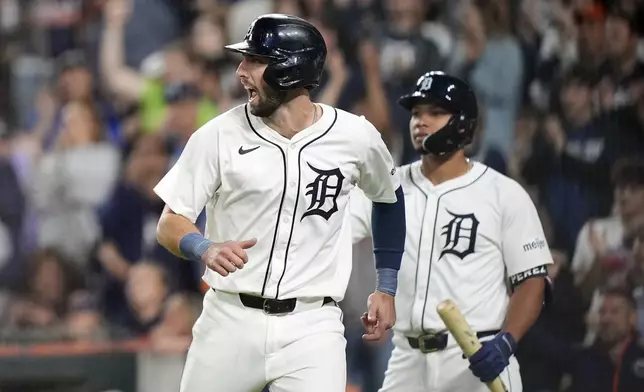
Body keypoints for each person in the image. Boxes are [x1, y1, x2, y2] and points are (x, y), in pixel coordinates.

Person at [153, 13, 406, 392]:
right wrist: (203, 247)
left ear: (289, 70)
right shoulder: (218, 135)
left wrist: (386, 287)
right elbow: (169, 223)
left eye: (254, 61)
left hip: (312, 326)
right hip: (229, 319)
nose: (241, 71)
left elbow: (388, 199)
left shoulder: (355, 136)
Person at [350, 71, 553, 392]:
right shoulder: (388, 187)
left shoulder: (503, 193)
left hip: (477, 354)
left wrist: (506, 343)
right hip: (407, 357)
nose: (421, 121)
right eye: (416, 113)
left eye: (435, 112)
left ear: (463, 123)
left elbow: (532, 283)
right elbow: (328, 229)